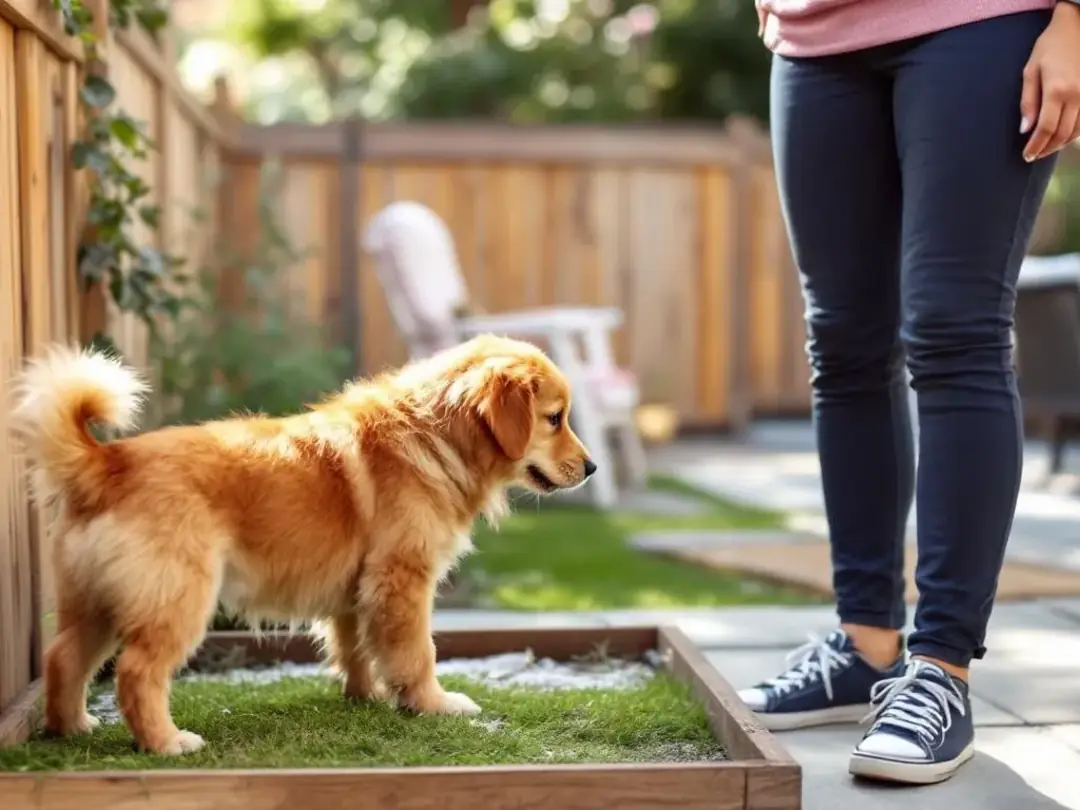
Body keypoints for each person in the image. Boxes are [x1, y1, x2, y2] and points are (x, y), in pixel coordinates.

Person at [739, 0, 1080, 786]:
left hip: (979, 22)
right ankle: (864, 645)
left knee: (955, 333)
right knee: (845, 344)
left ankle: (941, 670)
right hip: (816, 35)